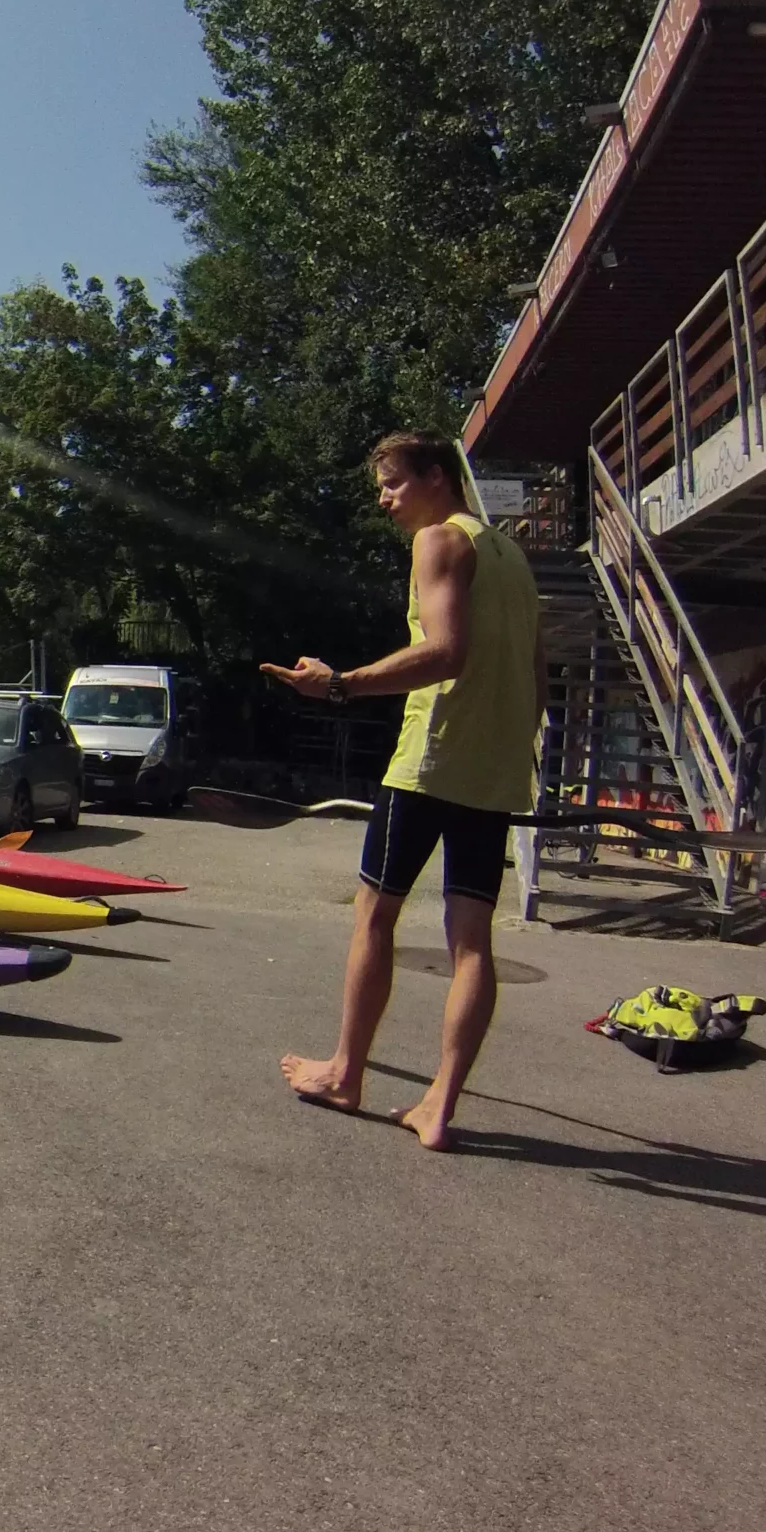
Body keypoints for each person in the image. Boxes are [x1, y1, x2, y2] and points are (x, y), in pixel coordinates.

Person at [263, 430, 544, 1150]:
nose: (384, 499)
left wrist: (339, 686)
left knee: (373, 916)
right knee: (471, 942)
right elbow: (537, 680)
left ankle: (346, 1073)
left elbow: (446, 652)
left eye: (392, 483)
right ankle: (437, 1108)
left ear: (437, 478)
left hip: (430, 762)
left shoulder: (440, 542)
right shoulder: (513, 557)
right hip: (495, 769)